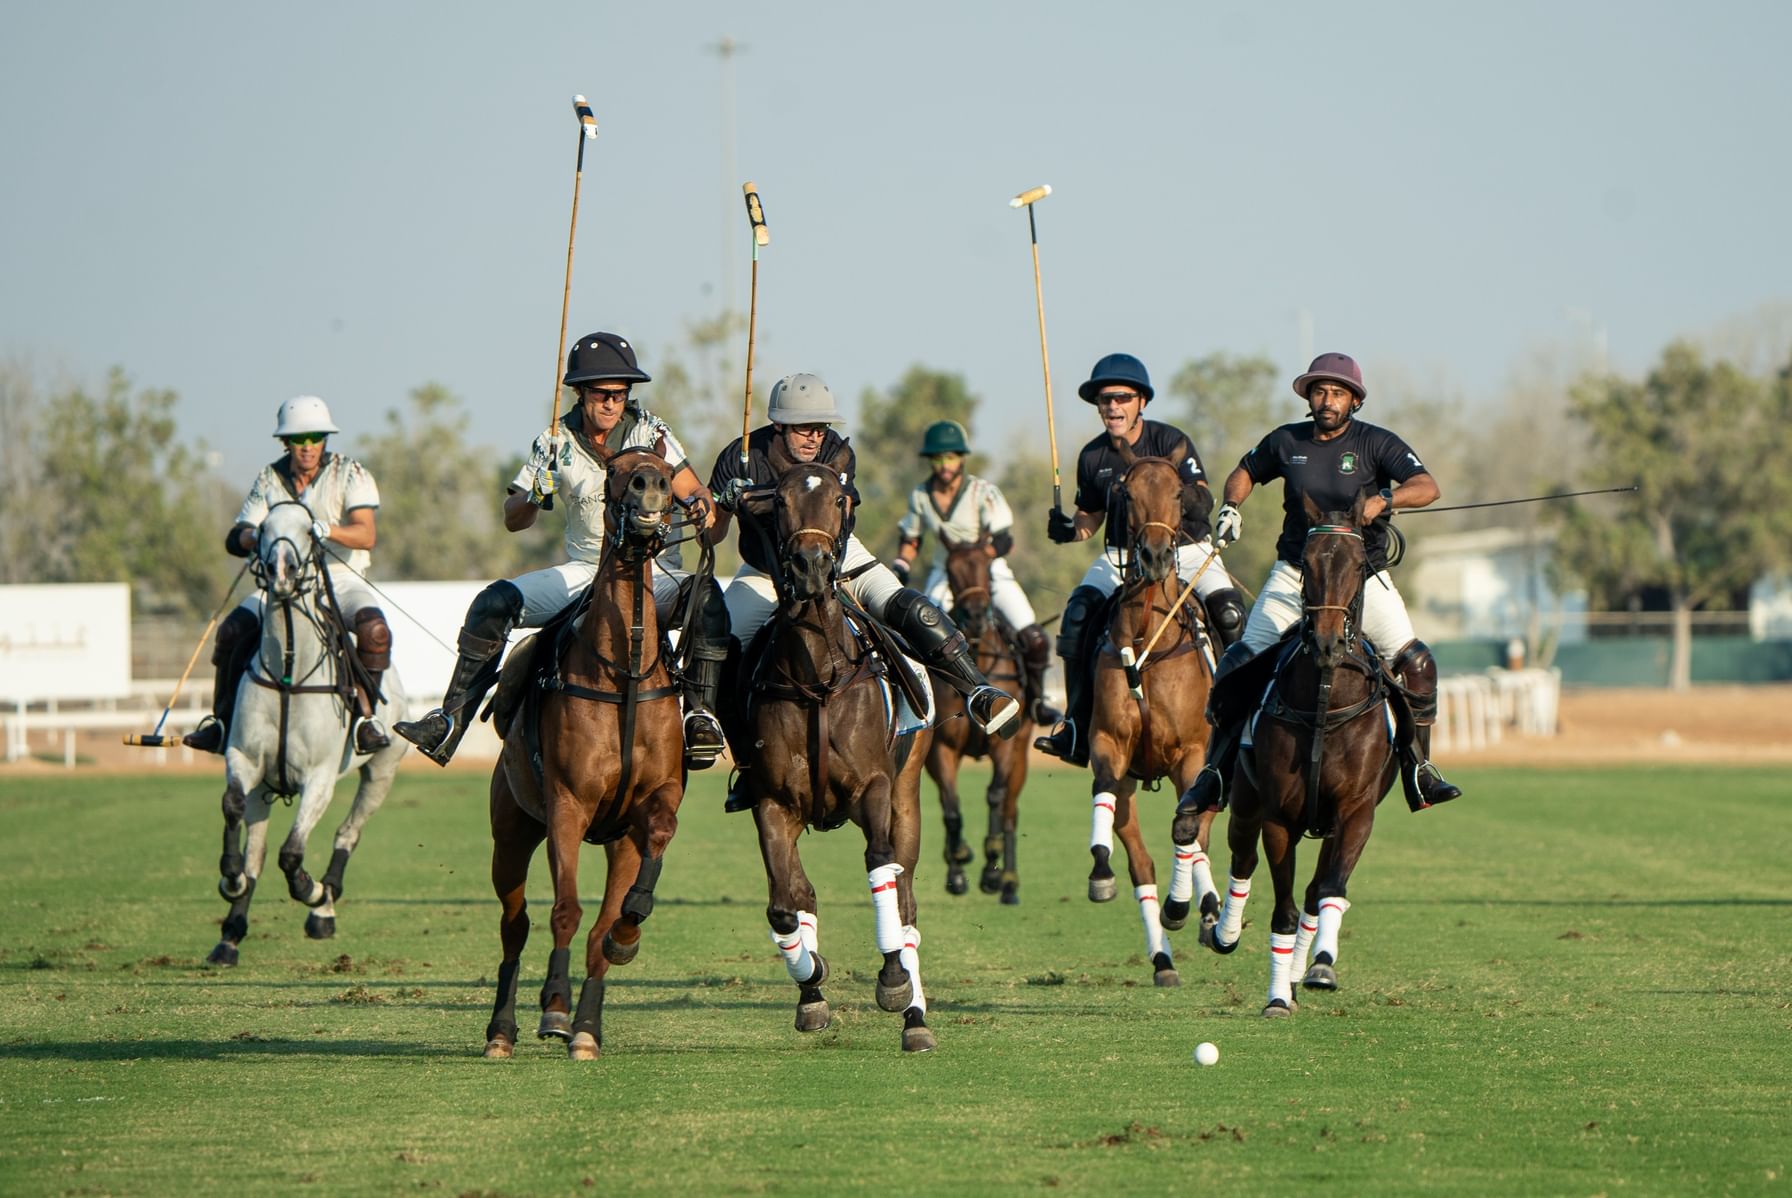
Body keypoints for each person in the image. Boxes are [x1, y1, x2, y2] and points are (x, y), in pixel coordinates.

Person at [394, 332, 727, 769]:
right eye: (601, 394)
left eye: (620, 394)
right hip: (586, 572)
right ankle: (450, 722)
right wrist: (533, 493)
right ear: (579, 392)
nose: (611, 404)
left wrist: (704, 508)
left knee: (708, 598)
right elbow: (514, 518)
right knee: (494, 602)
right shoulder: (554, 441)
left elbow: (696, 493)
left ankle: (700, 717)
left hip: (654, 572)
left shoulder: (651, 431)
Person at [707, 373, 1022, 813]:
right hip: (767, 569)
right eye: (804, 428)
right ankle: (747, 764)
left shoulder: (838, 452)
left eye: (820, 426)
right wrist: (720, 501)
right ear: (778, 425)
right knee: (722, 642)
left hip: (837, 559)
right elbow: (712, 531)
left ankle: (978, 691)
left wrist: (759, 496)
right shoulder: (741, 456)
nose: (815, 437)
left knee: (909, 606)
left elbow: (836, 505)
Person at [1176, 351, 1463, 816]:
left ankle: (1419, 770)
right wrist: (1231, 507)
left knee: (1418, 664)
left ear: (1354, 400)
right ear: (1309, 397)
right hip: (1295, 574)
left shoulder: (1376, 443)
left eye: (1338, 393)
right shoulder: (1287, 441)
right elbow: (1245, 472)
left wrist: (1386, 499)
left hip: (1363, 577)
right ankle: (1216, 772)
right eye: (1320, 391)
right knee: (1238, 662)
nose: (1328, 400)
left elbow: (1427, 486)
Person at [1034, 353, 1247, 767]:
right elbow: (1091, 517)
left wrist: (1189, 498)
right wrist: (1069, 529)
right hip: (1119, 557)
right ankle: (1076, 725)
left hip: (1185, 551)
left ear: (1141, 402)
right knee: (1077, 615)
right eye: (1104, 400)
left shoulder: (1171, 442)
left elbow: (1201, 494)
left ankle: (1237, 719)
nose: (1112, 407)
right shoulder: (1093, 456)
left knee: (1231, 613)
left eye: (1121, 398)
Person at [184, 395, 393, 755]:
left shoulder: (350, 473)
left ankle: (365, 719)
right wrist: (262, 534)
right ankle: (220, 722)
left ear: (325, 439)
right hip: (281, 583)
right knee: (231, 631)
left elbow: (366, 534)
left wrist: (323, 530)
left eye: (314, 437)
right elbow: (238, 536)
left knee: (375, 631)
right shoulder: (269, 478)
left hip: (339, 579)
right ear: (286, 442)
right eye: (299, 439)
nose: (307, 447)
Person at [892, 420, 1060, 726]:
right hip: (945, 573)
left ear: (962, 458)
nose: (944, 465)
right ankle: (917, 705)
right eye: (938, 459)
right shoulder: (920, 495)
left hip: (989, 571)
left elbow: (1004, 538)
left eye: (950, 458)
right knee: (918, 635)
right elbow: (911, 538)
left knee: (1034, 636)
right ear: (931, 461)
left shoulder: (983, 492)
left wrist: (977, 558)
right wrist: (901, 566)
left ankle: (1038, 701)